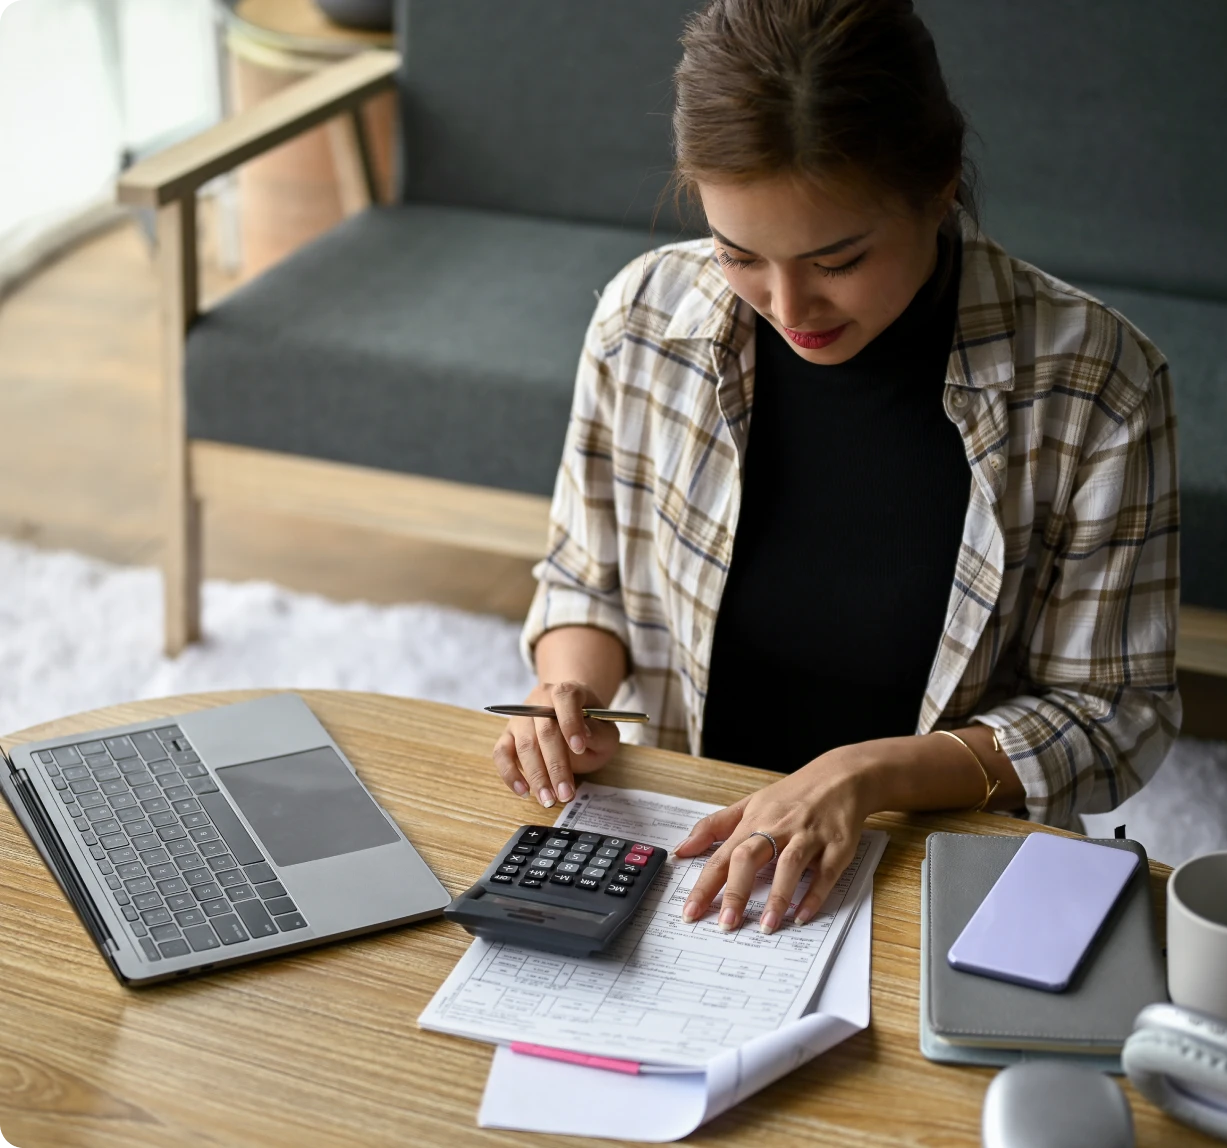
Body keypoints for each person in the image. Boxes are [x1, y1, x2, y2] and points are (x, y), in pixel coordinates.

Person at [492, 0, 1180, 935]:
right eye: (739, 254)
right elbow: (588, 579)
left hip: (942, 858)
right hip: (694, 848)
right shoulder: (644, 316)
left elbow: (1113, 712)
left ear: (939, 187)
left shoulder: (1095, 383)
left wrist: (866, 773)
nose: (788, 304)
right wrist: (562, 688)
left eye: (838, 260)